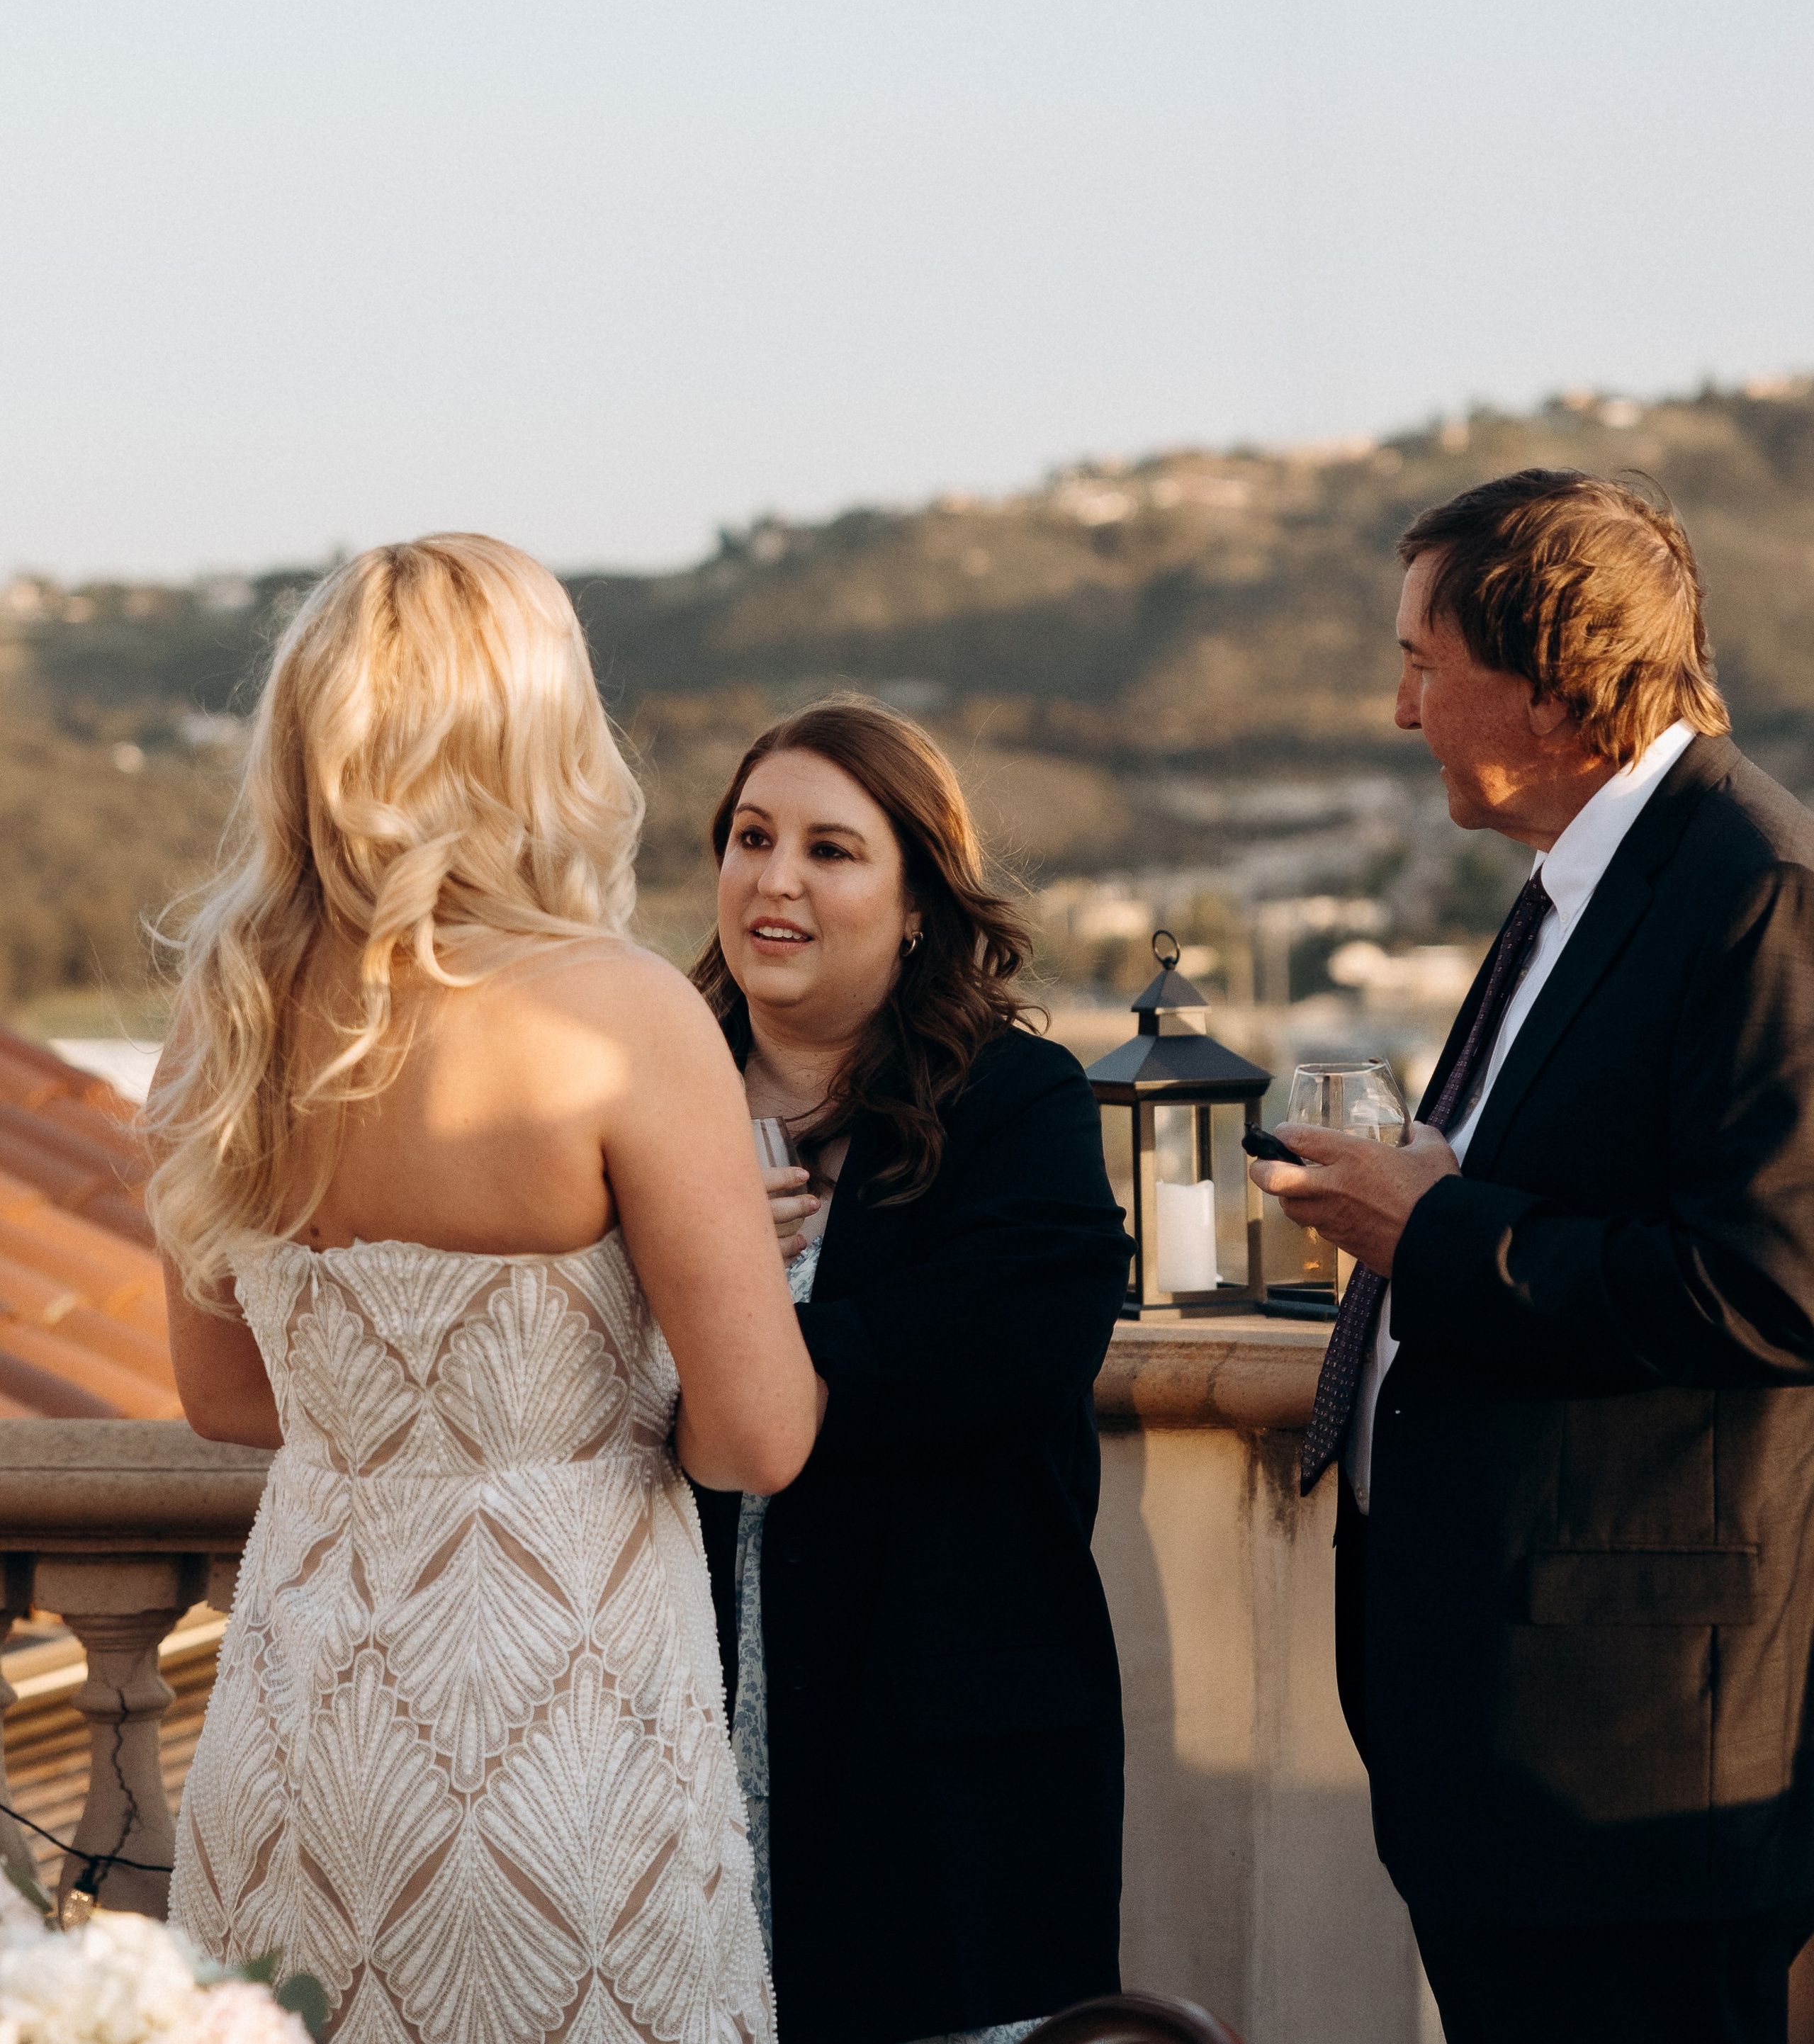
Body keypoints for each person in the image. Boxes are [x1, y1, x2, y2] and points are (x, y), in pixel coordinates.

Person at [147, 535, 818, 2044]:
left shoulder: (225, 1018)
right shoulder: (620, 1011)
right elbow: (759, 1437)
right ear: (540, 731)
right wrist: (654, 1326)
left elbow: (225, 1395)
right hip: (562, 1731)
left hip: (298, 1739)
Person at [1251, 469, 1814, 2044]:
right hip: (1513, 1735)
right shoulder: (1586, 884)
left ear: (1556, 689)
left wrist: (1431, 1229)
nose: (1399, 709)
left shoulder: (1756, 891)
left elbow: (1774, 1281)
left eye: (1423, 666)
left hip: (1633, 1765)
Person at [685, 699, 1130, 2044]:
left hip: (933, 1745)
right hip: (671, 1710)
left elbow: (1008, 1343)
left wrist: (732, 1316)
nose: (776, 879)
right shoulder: (650, 1104)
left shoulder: (1019, 1100)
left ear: (920, 901)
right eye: (752, 837)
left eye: (831, 850)